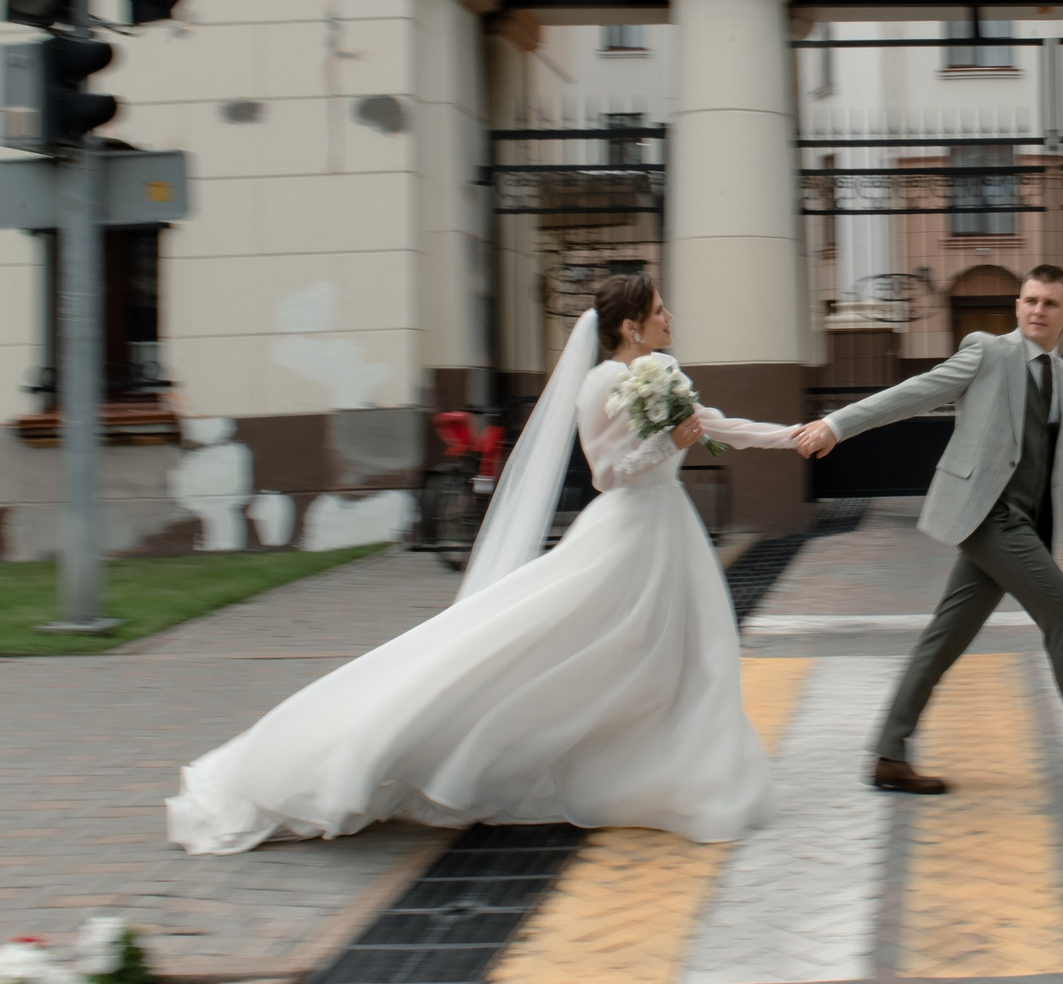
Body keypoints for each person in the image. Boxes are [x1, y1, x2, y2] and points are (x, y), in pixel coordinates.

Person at [166, 274, 799, 855]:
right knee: (546, 650)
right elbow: (609, 472)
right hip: (627, 537)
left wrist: (806, 433)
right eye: (660, 311)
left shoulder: (661, 373)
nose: (670, 318)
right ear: (631, 325)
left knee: (681, 657)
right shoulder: (604, 382)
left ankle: (678, 775)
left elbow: (717, 425)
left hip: (668, 535)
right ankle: (397, 747)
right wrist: (668, 440)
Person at [796, 263, 1063, 794]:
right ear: (1018, 306)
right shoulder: (988, 352)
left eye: (1049, 303)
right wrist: (837, 424)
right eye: (1030, 301)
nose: (1038, 310)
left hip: (1026, 525)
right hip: (988, 516)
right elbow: (915, 392)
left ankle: (889, 754)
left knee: (945, 637)